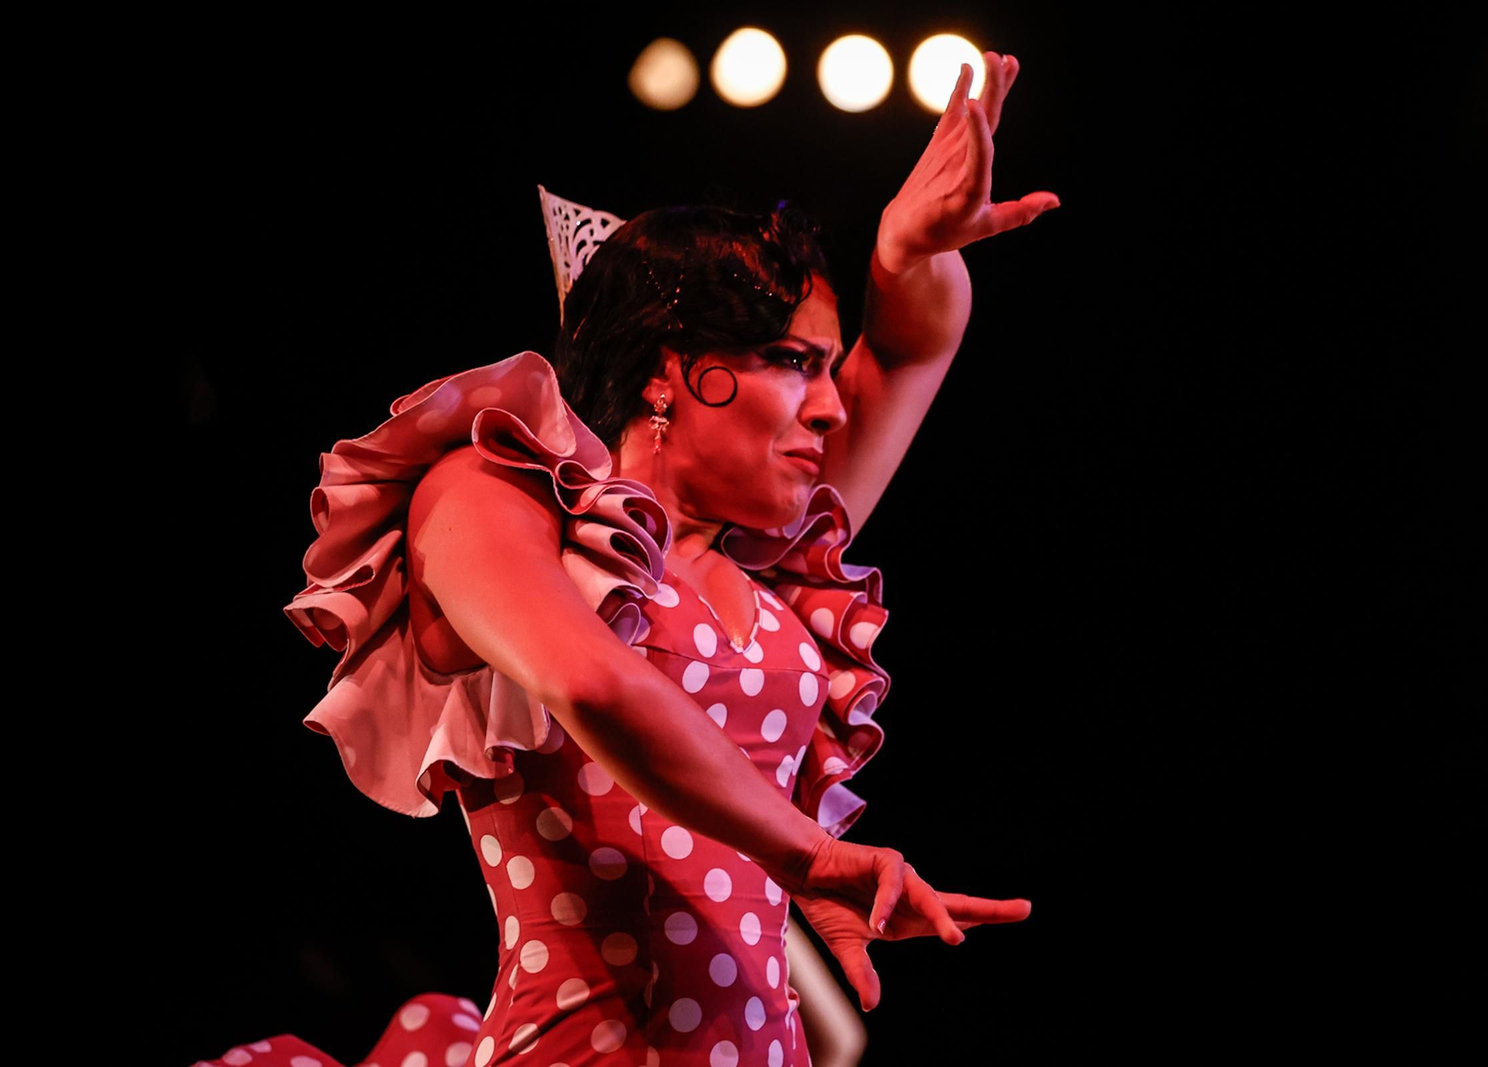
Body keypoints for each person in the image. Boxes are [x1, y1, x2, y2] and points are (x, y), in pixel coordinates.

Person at [193, 51, 1057, 1067]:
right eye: (793, 361)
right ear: (671, 371)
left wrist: (908, 252)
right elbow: (591, 681)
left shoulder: (766, 555)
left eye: (829, 369)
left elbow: (909, 348)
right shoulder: (487, 499)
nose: (829, 405)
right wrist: (812, 854)